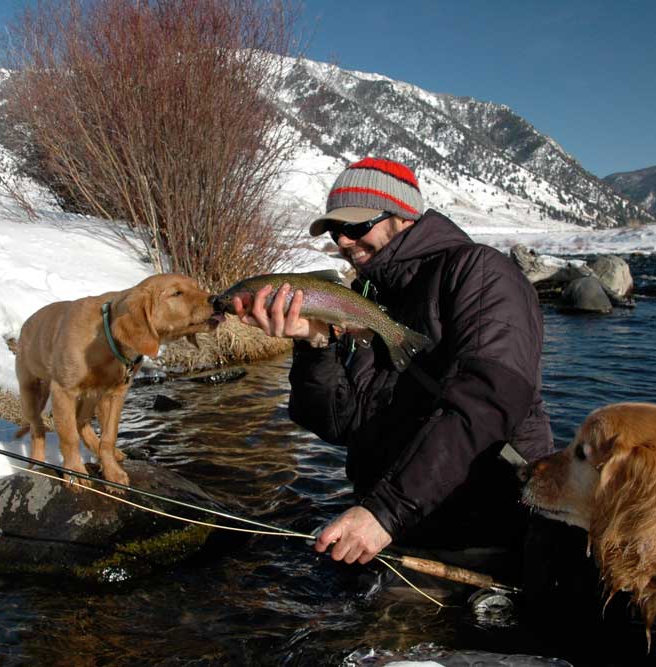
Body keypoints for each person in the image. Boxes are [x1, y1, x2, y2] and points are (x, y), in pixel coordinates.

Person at [233, 157, 553, 574]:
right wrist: (314, 346)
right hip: (396, 531)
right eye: (335, 231)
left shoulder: (481, 273)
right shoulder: (365, 298)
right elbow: (339, 424)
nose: (343, 241)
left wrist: (384, 513)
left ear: (403, 217)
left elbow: (487, 404)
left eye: (355, 226)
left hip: (487, 534)